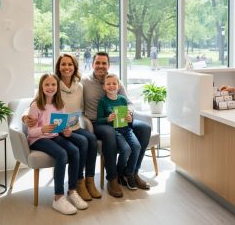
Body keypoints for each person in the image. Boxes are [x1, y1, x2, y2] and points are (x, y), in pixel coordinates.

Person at [82, 52, 151, 198]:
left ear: (108, 65)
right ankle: (112, 178)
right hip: (98, 123)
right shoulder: (85, 82)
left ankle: (132, 172)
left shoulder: (115, 81)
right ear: (93, 64)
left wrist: (130, 113)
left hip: (121, 121)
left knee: (144, 128)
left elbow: (129, 103)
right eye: (98, 63)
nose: (101, 66)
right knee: (109, 132)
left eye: (104, 63)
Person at [27, 73, 88, 215]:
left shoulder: (60, 105)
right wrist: (42, 129)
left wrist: (66, 132)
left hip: (54, 136)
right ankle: (58, 197)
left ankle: (72, 191)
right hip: (38, 139)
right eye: (47, 84)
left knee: (74, 150)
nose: (50, 87)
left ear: (57, 87)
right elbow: (31, 133)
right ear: (41, 87)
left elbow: (61, 127)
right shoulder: (36, 105)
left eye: (53, 84)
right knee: (62, 154)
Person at [55, 54, 101, 201]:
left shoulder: (79, 86)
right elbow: (37, 103)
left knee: (92, 138)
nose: (67, 67)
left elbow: (80, 108)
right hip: (58, 129)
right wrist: (25, 116)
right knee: (83, 142)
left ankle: (90, 180)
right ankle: (78, 182)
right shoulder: (53, 84)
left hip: (74, 126)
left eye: (70, 64)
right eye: (63, 64)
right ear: (58, 67)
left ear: (74, 67)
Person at [97, 74, 141, 190]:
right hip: (115, 132)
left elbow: (128, 117)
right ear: (104, 87)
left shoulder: (122, 99)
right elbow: (98, 120)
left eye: (114, 83)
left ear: (118, 86)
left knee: (136, 147)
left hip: (126, 129)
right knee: (126, 149)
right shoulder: (103, 102)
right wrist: (108, 119)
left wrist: (130, 118)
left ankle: (129, 172)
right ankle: (119, 173)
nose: (111, 86)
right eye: (108, 84)